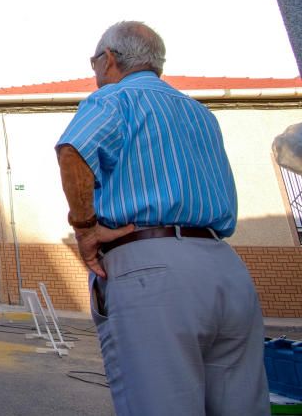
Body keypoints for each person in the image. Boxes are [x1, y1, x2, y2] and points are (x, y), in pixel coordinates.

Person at [55, 21, 267, 416]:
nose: (94, 71)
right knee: (242, 404)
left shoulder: (113, 99)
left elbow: (72, 151)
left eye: (94, 61)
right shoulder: (199, 112)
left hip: (150, 265)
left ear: (110, 59)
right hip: (225, 268)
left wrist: (85, 230)